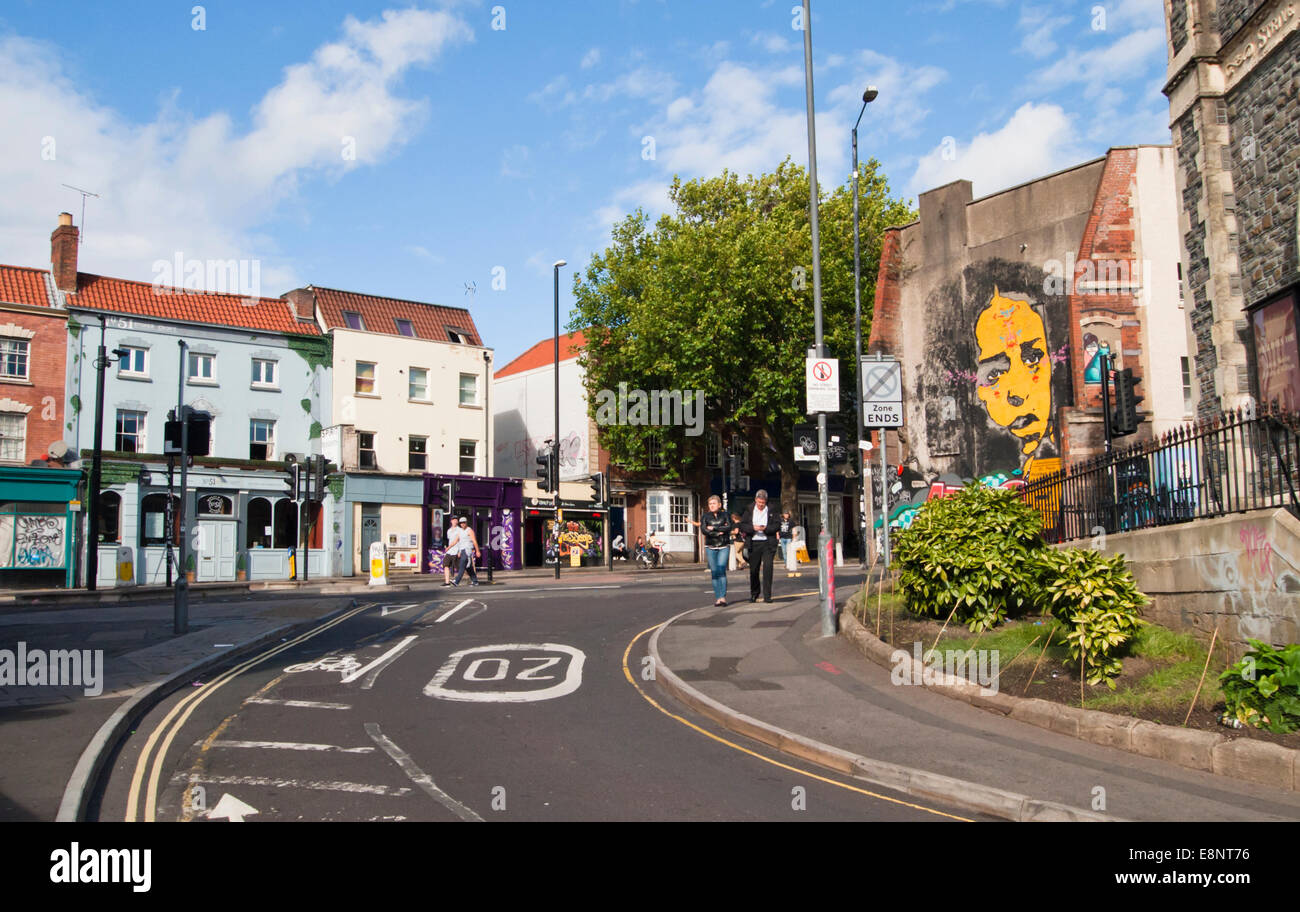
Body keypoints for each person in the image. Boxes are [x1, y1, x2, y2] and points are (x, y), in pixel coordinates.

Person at [692, 495, 733, 606]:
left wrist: (714, 528)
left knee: (721, 569)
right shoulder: (705, 516)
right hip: (710, 546)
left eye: (714, 503)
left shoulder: (725, 515)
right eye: (710, 504)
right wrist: (719, 531)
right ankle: (718, 597)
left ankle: (723, 597)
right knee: (714, 572)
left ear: (719, 505)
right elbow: (704, 530)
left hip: (723, 546)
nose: (712, 506)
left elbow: (729, 527)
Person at [739, 490, 779, 603]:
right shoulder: (749, 509)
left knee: (768, 569)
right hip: (753, 542)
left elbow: (777, 525)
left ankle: (767, 596)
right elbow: (742, 525)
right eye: (759, 502)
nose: (761, 504)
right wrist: (753, 528)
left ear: (766, 501)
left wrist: (765, 528)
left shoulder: (772, 509)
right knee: (754, 570)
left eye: (763, 502)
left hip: (768, 542)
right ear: (755, 500)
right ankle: (754, 594)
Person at [450, 516, 481, 586]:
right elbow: (456, 541)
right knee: (468, 567)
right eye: (461, 523)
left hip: (467, 550)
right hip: (462, 550)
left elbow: (474, 541)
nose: (462, 524)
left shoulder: (469, 530)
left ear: (466, 523)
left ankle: (456, 581)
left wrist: (477, 551)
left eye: (464, 523)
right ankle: (475, 581)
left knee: (462, 565)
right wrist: (449, 547)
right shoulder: (460, 531)